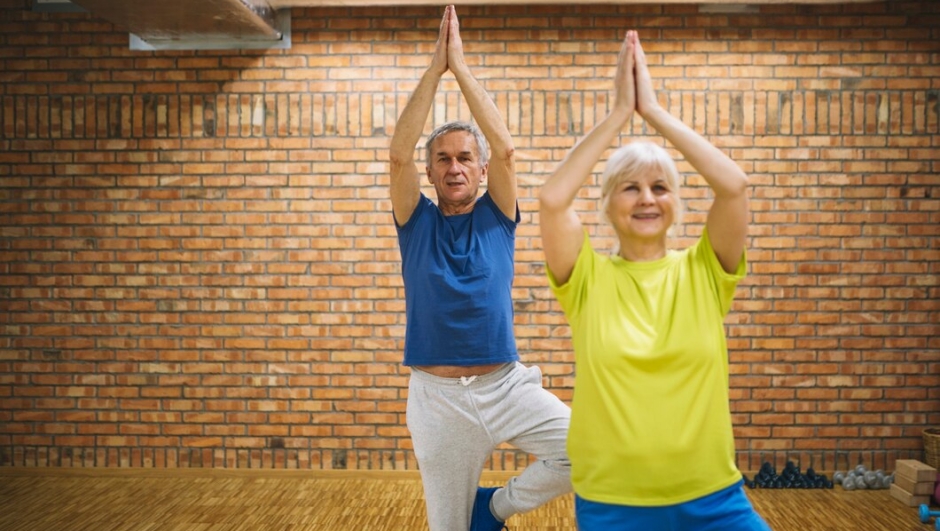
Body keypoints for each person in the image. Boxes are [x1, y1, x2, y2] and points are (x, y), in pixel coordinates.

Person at [538, 30, 772, 530]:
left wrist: (655, 112)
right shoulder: (586, 278)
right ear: (607, 206)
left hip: (713, 497)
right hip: (613, 501)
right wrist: (619, 114)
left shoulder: (706, 272)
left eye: (660, 186)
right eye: (631, 187)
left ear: (675, 204)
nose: (647, 197)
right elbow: (552, 199)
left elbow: (734, 186)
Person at [388, 6, 571, 531]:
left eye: (465, 157)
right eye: (443, 159)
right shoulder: (415, 222)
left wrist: (461, 69)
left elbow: (509, 151)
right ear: (431, 172)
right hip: (438, 401)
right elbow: (398, 156)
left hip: (506, 387)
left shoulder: (498, 218)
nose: (454, 167)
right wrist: (434, 68)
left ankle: (493, 508)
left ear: (481, 169)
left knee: (587, 451)